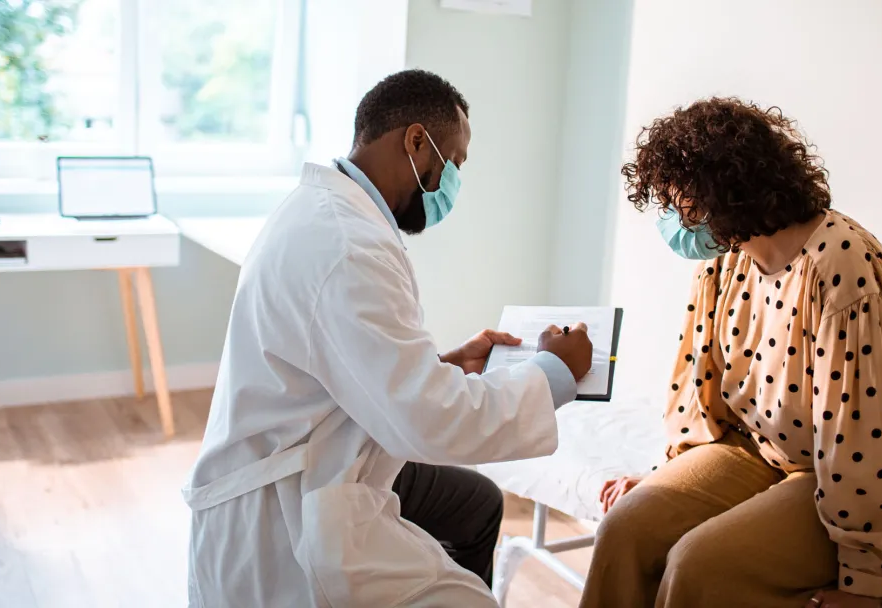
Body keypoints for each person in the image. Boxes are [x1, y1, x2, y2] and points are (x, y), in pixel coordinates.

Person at [182, 69, 593, 607]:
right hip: (290, 501)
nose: (453, 188)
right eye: (455, 164)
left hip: (331, 446)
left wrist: (443, 362)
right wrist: (555, 371)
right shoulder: (349, 245)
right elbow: (430, 420)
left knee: (475, 504)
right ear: (417, 143)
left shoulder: (329, 211)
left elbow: (345, 360)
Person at [580, 98, 882, 608]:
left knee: (699, 563)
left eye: (678, 200)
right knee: (623, 531)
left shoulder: (841, 266)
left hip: (876, 482)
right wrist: (665, 478)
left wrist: (865, 584)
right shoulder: (723, 262)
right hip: (761, 453)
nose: (672, 217)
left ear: (725, 191)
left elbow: (856, 432)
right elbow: (700, 396)